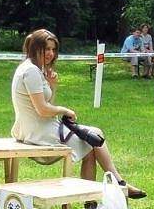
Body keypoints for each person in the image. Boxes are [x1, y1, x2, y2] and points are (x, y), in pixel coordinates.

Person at [11, 29, 146, 198]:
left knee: (95, 134)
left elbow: (45, 106)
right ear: (35, 48)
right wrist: (65, 110)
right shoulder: (30, 71)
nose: (51, 54)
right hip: (37, 132)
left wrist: (52, 86)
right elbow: (43, 110)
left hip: (38, 127)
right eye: (46, 49)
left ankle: (115, 184)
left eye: (53, 49)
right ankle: (110, 188)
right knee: (91, 145)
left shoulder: (34, 69)